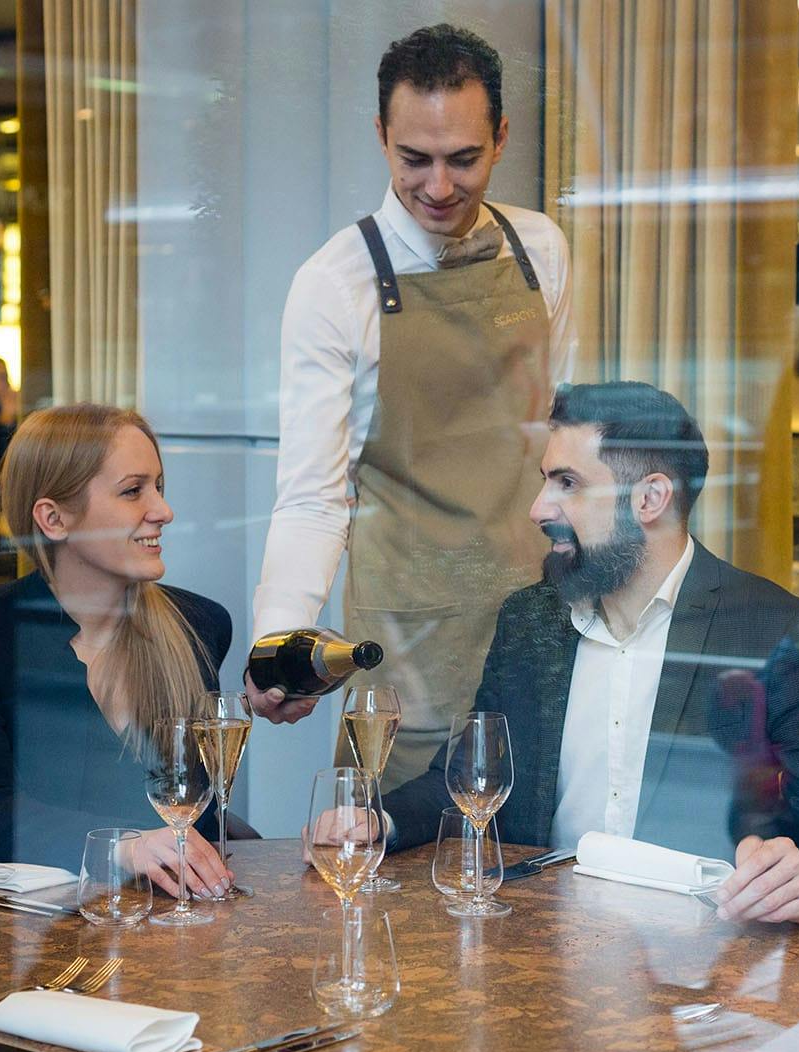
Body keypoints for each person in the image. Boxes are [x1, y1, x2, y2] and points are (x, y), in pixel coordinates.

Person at [383, 382, 799, 923]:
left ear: (650, 499)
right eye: (545, 481)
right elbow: (464, 782)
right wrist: (376, 822)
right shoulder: (531, 619)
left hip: (695, 964)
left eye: (568, 483)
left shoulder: (768, 628)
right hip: (533, 945)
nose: (537, 508)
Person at [248, 23, 575, 786]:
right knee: (393, 872)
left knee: (536, 870)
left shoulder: (544, 251)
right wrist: (279, 645)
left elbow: (564, 442)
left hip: (539, 627)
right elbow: (313, 497)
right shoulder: (335, 285)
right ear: (380, 136)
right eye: (413, 159)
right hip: (406, 648)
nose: (437, 186)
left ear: (501, 137)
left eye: (463, 159)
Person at [0, 404, 237, 901]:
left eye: (159, 486)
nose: (163, 510)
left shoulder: (200, 625)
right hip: (14, 936)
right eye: (133, 491)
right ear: (53, 519)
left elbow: (198, 811)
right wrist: (125, 848)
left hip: (160, 925)